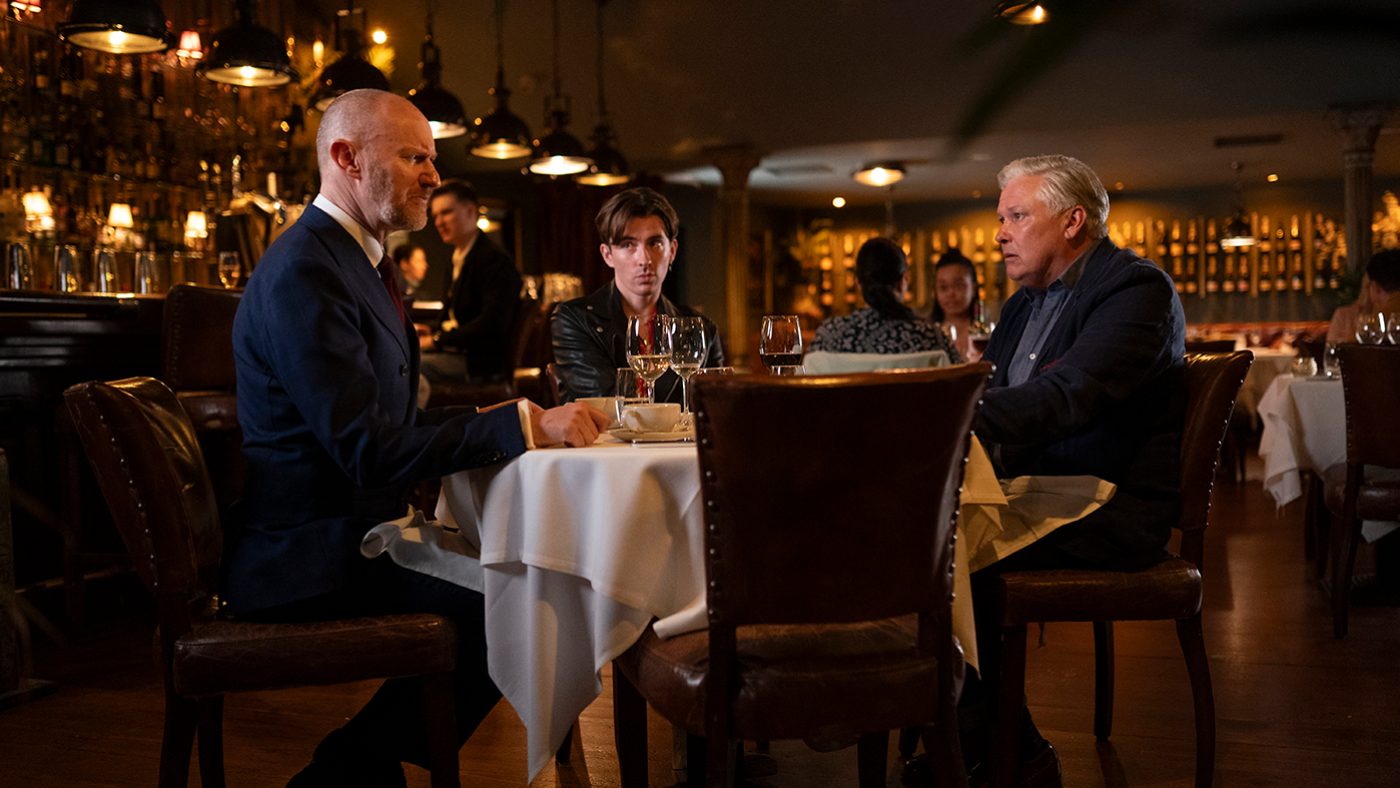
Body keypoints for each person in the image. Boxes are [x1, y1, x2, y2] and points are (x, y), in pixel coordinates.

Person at [225, 89, 608, 788]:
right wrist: (521, 424)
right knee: (521, 603)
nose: (433, 176)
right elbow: (368, 448)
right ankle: (344, 773)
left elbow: (387, 426)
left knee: (537, 578)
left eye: (431, 159)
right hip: (309, 554)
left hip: (351, 531)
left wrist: (515, 414)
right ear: (346, 158)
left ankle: (353, 772)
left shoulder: (359, 259)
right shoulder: (308, 269)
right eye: (413, 157)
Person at [907, 155, 1186, 788]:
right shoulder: (1018, 306)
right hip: (1036, 492)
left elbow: (1069, 397)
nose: (999, 233)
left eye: (1016, 216)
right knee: (908, 537)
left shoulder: (1134, 290)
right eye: (999, 218)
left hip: (1109, 504)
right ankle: (959, 728)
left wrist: (944, 414)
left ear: (1073, 221)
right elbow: (997, 398)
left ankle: (1009, 749)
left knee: (936, 554)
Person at [551, 187, 724, 403]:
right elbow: (607, 406)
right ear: (608, 255)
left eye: (655, 243)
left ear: (672, 251)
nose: (644, 259)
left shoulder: (702, 331)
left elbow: (717, 410)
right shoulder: (575, 320)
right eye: (628, 245)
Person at [418, 180, 523, 384]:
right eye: (435, 216)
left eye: (446, 212)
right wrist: (431, 330)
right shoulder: (456, 258)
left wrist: (436, 340)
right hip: (454, 354)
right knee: (398, 363)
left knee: (407, 368)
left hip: (479, 364)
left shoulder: (495, 260)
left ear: (470, 211)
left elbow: (492, 327)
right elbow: (459, 320)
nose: (439, 222)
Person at [807, 237, 962, 361]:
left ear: (858, 283)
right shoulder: (931, 338)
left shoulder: (829, 336)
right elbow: (966, 389)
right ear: (902, 282)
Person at [930, 247, 983, 360]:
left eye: (958, 286)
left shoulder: (983, 334)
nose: (950, 294)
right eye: (943, 288)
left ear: (973, 288)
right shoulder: (929, 334)